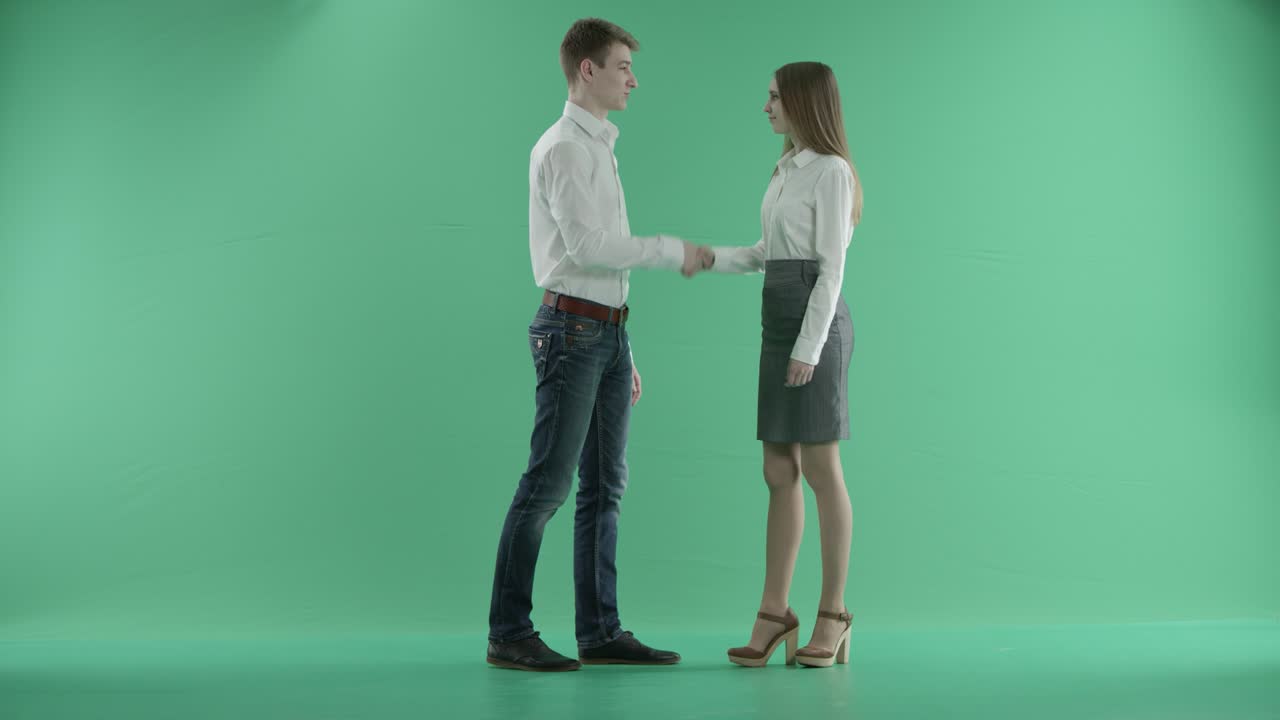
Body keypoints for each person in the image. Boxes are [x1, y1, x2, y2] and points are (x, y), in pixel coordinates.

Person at [486, 17, 711, 672]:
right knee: (548, 485)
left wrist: (626, 349)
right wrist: (670, 250)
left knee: (605, 485)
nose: (633, 80)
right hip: (572, 330)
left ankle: (600, 630)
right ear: (588, 70)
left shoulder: (602, 149)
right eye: (622, 68)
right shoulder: (563, 149)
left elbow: (602, 266)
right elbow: (585, 249)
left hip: (605, 331)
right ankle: (508, 631)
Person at [707, 61, 864, 669]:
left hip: (814, 325)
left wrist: (809, 347)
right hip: (778, 319)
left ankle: (834, 613)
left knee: (822, 466)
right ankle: (775, 612)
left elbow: (830, 268)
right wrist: (708, 258)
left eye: (773, 97)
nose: (765, 106)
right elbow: (768, 254)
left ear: (801, 101)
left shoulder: (831, 172)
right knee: (778, 468)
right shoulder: (783, 170)